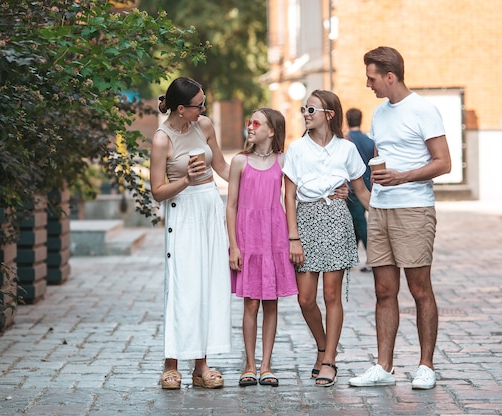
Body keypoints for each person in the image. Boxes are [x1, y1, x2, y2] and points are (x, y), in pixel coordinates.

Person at [348, 46, 451, 390]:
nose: (368, 84)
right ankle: (384, 366)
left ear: (389, 76)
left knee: (419, 289)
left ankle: (426, 365)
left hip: (413, 208)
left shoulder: (423, 109)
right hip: (381, 208)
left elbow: (443, 162)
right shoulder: (380, 113)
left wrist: (402, 176)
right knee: (383, 290)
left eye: (372, 77)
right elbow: (381, 158)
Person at [283, 90, 371, 387]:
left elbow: (361, 193)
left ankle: (330, 359)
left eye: (311, 109)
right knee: (305, 299)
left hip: (336, 220)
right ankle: (323, 346)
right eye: (304, 109)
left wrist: (390, 211)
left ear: (329, 115)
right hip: (305, 223)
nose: (305, 113)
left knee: (331, 295)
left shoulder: (346, 149)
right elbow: (289, 196)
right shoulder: (296, 149)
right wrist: (293, 237)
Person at [150, 76, 231, 390]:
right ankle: (171, 363)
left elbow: (222, 166)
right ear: (181, 108)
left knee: (208, 284)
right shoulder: (161, 139)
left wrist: (252, 181)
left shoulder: (205, 126)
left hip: (209, 207)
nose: (204, 109)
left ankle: (201, 365)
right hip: (181, 210)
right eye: (199, 105)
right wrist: (186, 180)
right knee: (183, 285)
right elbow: (157, 191)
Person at [226, 108, 298, 388]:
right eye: (249, 122)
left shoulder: (284, 161)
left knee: (271, 301)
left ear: (271, 131)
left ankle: (266, 365)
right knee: (250, 302)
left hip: (274, 237)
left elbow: (295, 195)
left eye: (257, 123)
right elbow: (231, 206)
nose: (250, 126)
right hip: (248, 237)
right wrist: (233, 245)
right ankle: (249, 364)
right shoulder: (240, 162)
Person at [345, 108, 375, 273]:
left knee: (359, 222)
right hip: (367, 185)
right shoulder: (369, 140)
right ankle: (351, 257)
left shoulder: (345, 140)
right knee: (358, 221)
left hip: (351, 188)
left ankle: (372, 258)